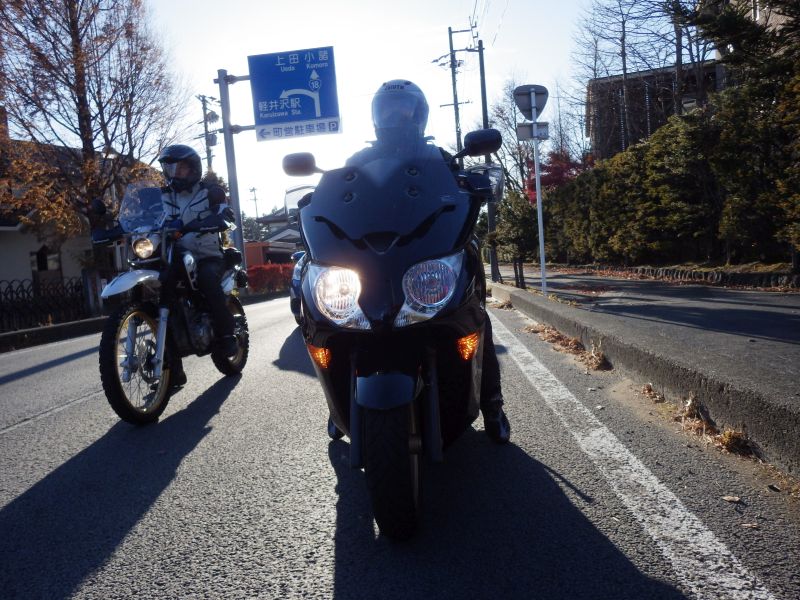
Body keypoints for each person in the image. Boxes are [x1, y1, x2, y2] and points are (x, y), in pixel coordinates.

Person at [349, 80, 511, 443]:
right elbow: (336, 199)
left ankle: (492, 404)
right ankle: (339, 404)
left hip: (431, 253)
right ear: (376, 116)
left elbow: (464, 194)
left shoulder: (440, 159)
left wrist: (473, 185)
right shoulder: (358, 163)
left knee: (475, 315)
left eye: (403, 109)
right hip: (373, 259)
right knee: (342, 319)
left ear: (418, 114)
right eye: (387, 110)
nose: (395, 116)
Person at [157, 144, 238, 385]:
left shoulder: (210, 192)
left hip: (207, 256)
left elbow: (226, 214)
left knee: (207, 280)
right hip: (173, 256)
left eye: (180, 168)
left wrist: (220, 218)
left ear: (193, 169)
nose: (174, 173)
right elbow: (142, 217)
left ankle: (227, 335)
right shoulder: (162, 196)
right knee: (164, 298)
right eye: (170, 168)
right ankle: (173, 369)